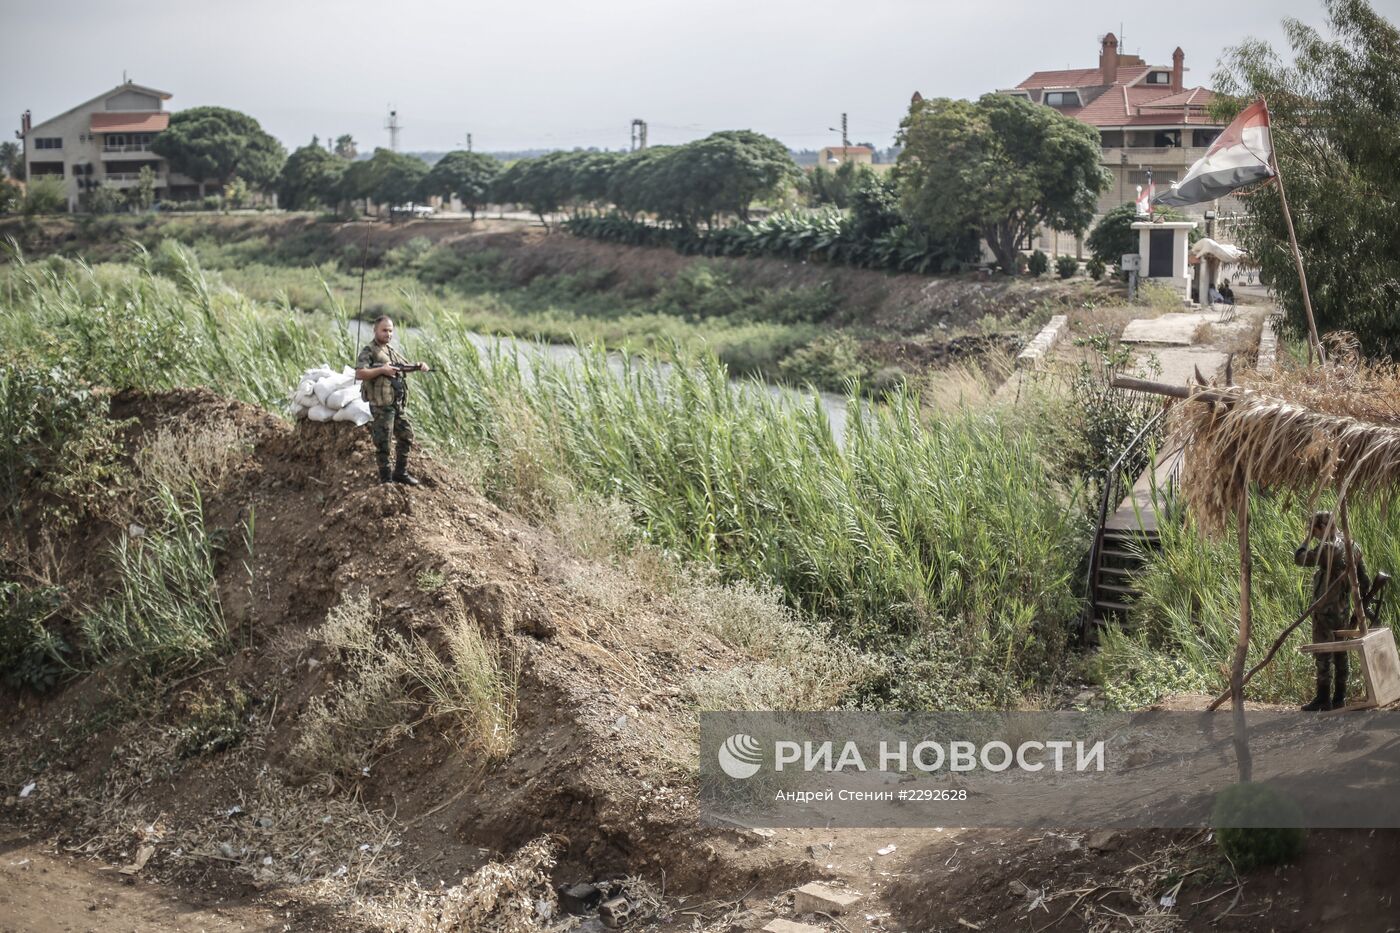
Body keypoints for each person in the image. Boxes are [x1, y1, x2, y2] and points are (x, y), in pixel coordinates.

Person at [1294, 511, 1369, 711]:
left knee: (1323, 653)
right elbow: (1365, 581)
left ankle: (1323, 698)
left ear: (1319, 529)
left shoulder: (1327, 548)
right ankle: (1340, 698)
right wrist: (1360, 608)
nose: (1314, 534)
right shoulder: (1352, 545)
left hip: (1325, 608)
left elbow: (1300, 558)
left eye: (1314, 530)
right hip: (1343, 609)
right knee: (1341, 653)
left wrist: (1306, 539)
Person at [354, 315, 430, 485]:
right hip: (381, 406)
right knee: (384, 443)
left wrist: (418, 366)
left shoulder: (390, 350)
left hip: (395, 404)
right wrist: (382, 370)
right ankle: (386, 479)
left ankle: (400, 473)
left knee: (406, 435)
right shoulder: (370, 351)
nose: (388, 334)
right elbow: (360, 373)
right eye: (384, 330)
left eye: (390, 331)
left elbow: (403, 366)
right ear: (375, 330)